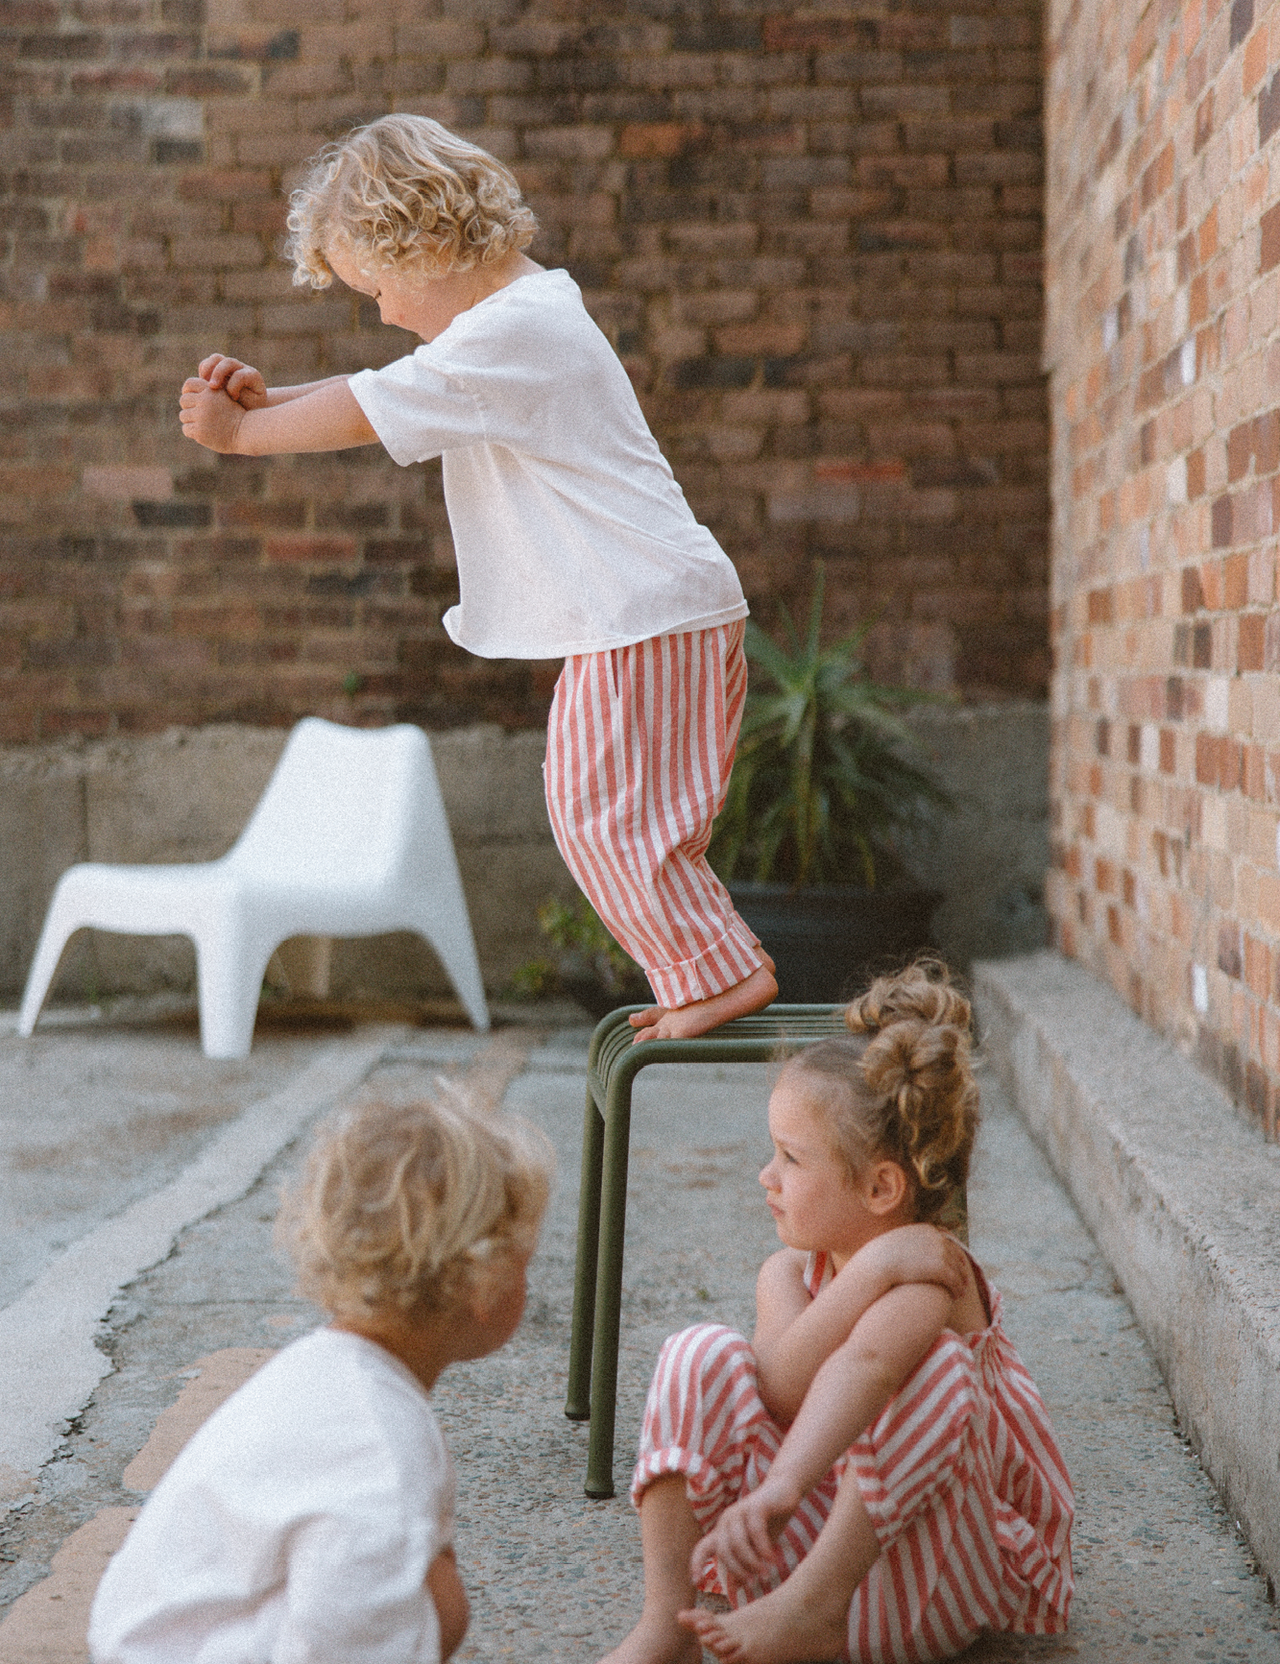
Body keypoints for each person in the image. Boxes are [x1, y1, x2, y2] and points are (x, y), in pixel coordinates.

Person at [177, 113, 778, 1044]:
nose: (378, 309)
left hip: (647, 616)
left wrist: (244, 435)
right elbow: (388, 383)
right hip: (648, 616)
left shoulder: (516, 332)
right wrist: (272, 397)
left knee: (601, 813)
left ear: (418, 244)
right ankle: (705, 969)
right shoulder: (517, 323)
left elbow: (376, 406)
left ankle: (717, 975)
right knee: (613, 812)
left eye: (372, 286)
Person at [601, 961, 1074, 1664]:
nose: (766, 1176)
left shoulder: (935, 1279)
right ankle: (668, 1623)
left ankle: (810, 1610)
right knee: (698, 1349)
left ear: (882, 1187)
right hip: (817, 1544)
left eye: (791, 1159)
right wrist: (875, 1266)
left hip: (936, 1573)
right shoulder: (793, 1272)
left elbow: (867, 1363)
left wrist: (784, 1486)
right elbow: (783, 1384)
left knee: (936, 1366)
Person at [88, 1086, 553, 1664]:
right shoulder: (381, 1451)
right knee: (442, 1601)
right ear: (485, 1284)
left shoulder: (319, 1375)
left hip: (158, 1639)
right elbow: (346, 1641)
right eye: (526, 1264)